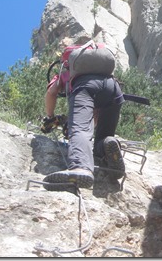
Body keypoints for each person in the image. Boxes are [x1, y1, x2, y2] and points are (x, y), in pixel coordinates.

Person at [40, 45, 126, 189]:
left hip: (85, 87)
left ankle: (80, 167)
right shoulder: (100, 69)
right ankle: (106, 145)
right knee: (104, 136)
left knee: (79, 130)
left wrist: (50, 116)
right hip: (114, 88)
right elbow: (94, 118)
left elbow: (52, 92)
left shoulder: (65, 73)